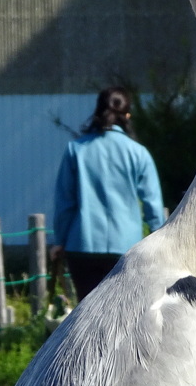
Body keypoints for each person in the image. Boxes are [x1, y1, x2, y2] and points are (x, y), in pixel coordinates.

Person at [51, 86, 165, 301]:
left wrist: (60, 240)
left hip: (82, 245)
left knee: (85, 315)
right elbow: (152, 205)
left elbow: (65, 202)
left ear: (98, 111)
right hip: (125, 247)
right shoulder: (138, 153)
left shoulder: (75, 150)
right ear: (127, 116)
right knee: (123, 316)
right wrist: (158, 240)